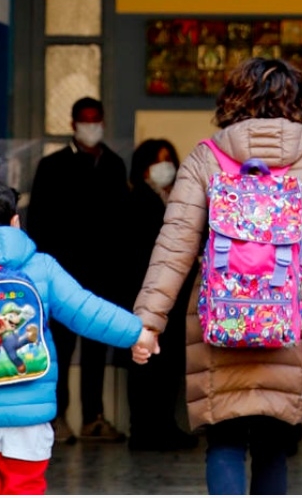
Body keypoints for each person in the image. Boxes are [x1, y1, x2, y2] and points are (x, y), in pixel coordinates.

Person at [132, 57, 302, 494]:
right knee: (274, 444)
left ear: (233, 100)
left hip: (219, 323)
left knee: (225, 441)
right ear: (299, 102)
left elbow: (174, 247)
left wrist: (148, 321)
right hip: (288, 324)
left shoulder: (205, 159)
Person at [0, 174, 157, 495]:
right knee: (26, 487)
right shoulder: (41, 268)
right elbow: (86, 310)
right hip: (30, 412)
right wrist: (137, 334)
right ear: (16, 222)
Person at [26, 96, 130, 444]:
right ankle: (55, 419)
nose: (91, 127)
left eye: (96, 120)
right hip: (61, 274)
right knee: (59, 348)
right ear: (73, 124)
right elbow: (38, 222)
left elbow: (120, 224)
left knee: (98, 348)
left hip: (103, 275)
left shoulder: (114, 165)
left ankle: (93, 418)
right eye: (85, 120)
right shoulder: (52, 166)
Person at [123, 138, 199, 451]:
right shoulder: (138, 201)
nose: (165, 167)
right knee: (145, 367)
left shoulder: (175, 201)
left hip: (174, 300)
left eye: (169, 159)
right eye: (158, 160)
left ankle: (164, 425)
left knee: (167, 368)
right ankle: (144, 430)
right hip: (145, 297)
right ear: (143, 168)